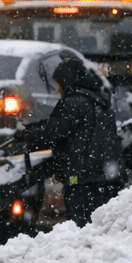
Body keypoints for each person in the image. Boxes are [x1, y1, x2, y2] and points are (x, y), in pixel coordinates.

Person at [18, 57, 124, 225]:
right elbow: (77, 128)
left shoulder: (72, 103)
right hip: (108, 177)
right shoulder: (100, 102)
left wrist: (28, 135)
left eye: (58, 83)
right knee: (103, 225)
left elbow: (52, 133)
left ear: (67, 81)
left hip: (80, 179)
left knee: (79, 225)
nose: (57, 88)